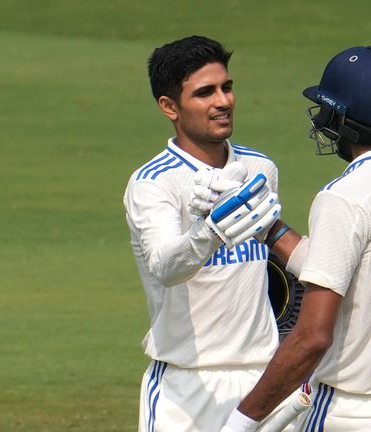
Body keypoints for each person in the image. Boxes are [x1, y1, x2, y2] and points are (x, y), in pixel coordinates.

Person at [220, 46, 371, 431]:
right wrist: (269, 229)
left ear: (345, 118)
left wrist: (241, 420)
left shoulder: (344, 196)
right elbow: (359, 269)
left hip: (351, 413)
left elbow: (312, 336)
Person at [123, 35, 291, 432]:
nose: (223, 101)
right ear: (170, 107)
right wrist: (212, 229)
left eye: (226, 87)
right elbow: (166, 266)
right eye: (204, 93)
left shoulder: (260, 169)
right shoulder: (153, 183)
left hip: (262, 378)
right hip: (185, 386)